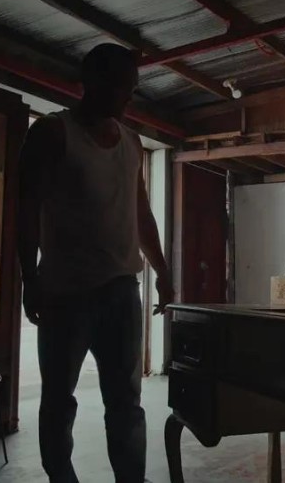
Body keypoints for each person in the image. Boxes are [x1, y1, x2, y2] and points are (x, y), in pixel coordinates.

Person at [17, 43, 173, 483]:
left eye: (132, 87)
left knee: (127, 405)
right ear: (91, 82)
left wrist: (162, 272)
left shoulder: (132, 142)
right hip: (66, 294)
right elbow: (25, 211)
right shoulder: (52, 133)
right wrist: (29, 279)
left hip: (122, 292)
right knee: (58, 402)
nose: (128, 96)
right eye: (121, 86)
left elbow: (141, 214)